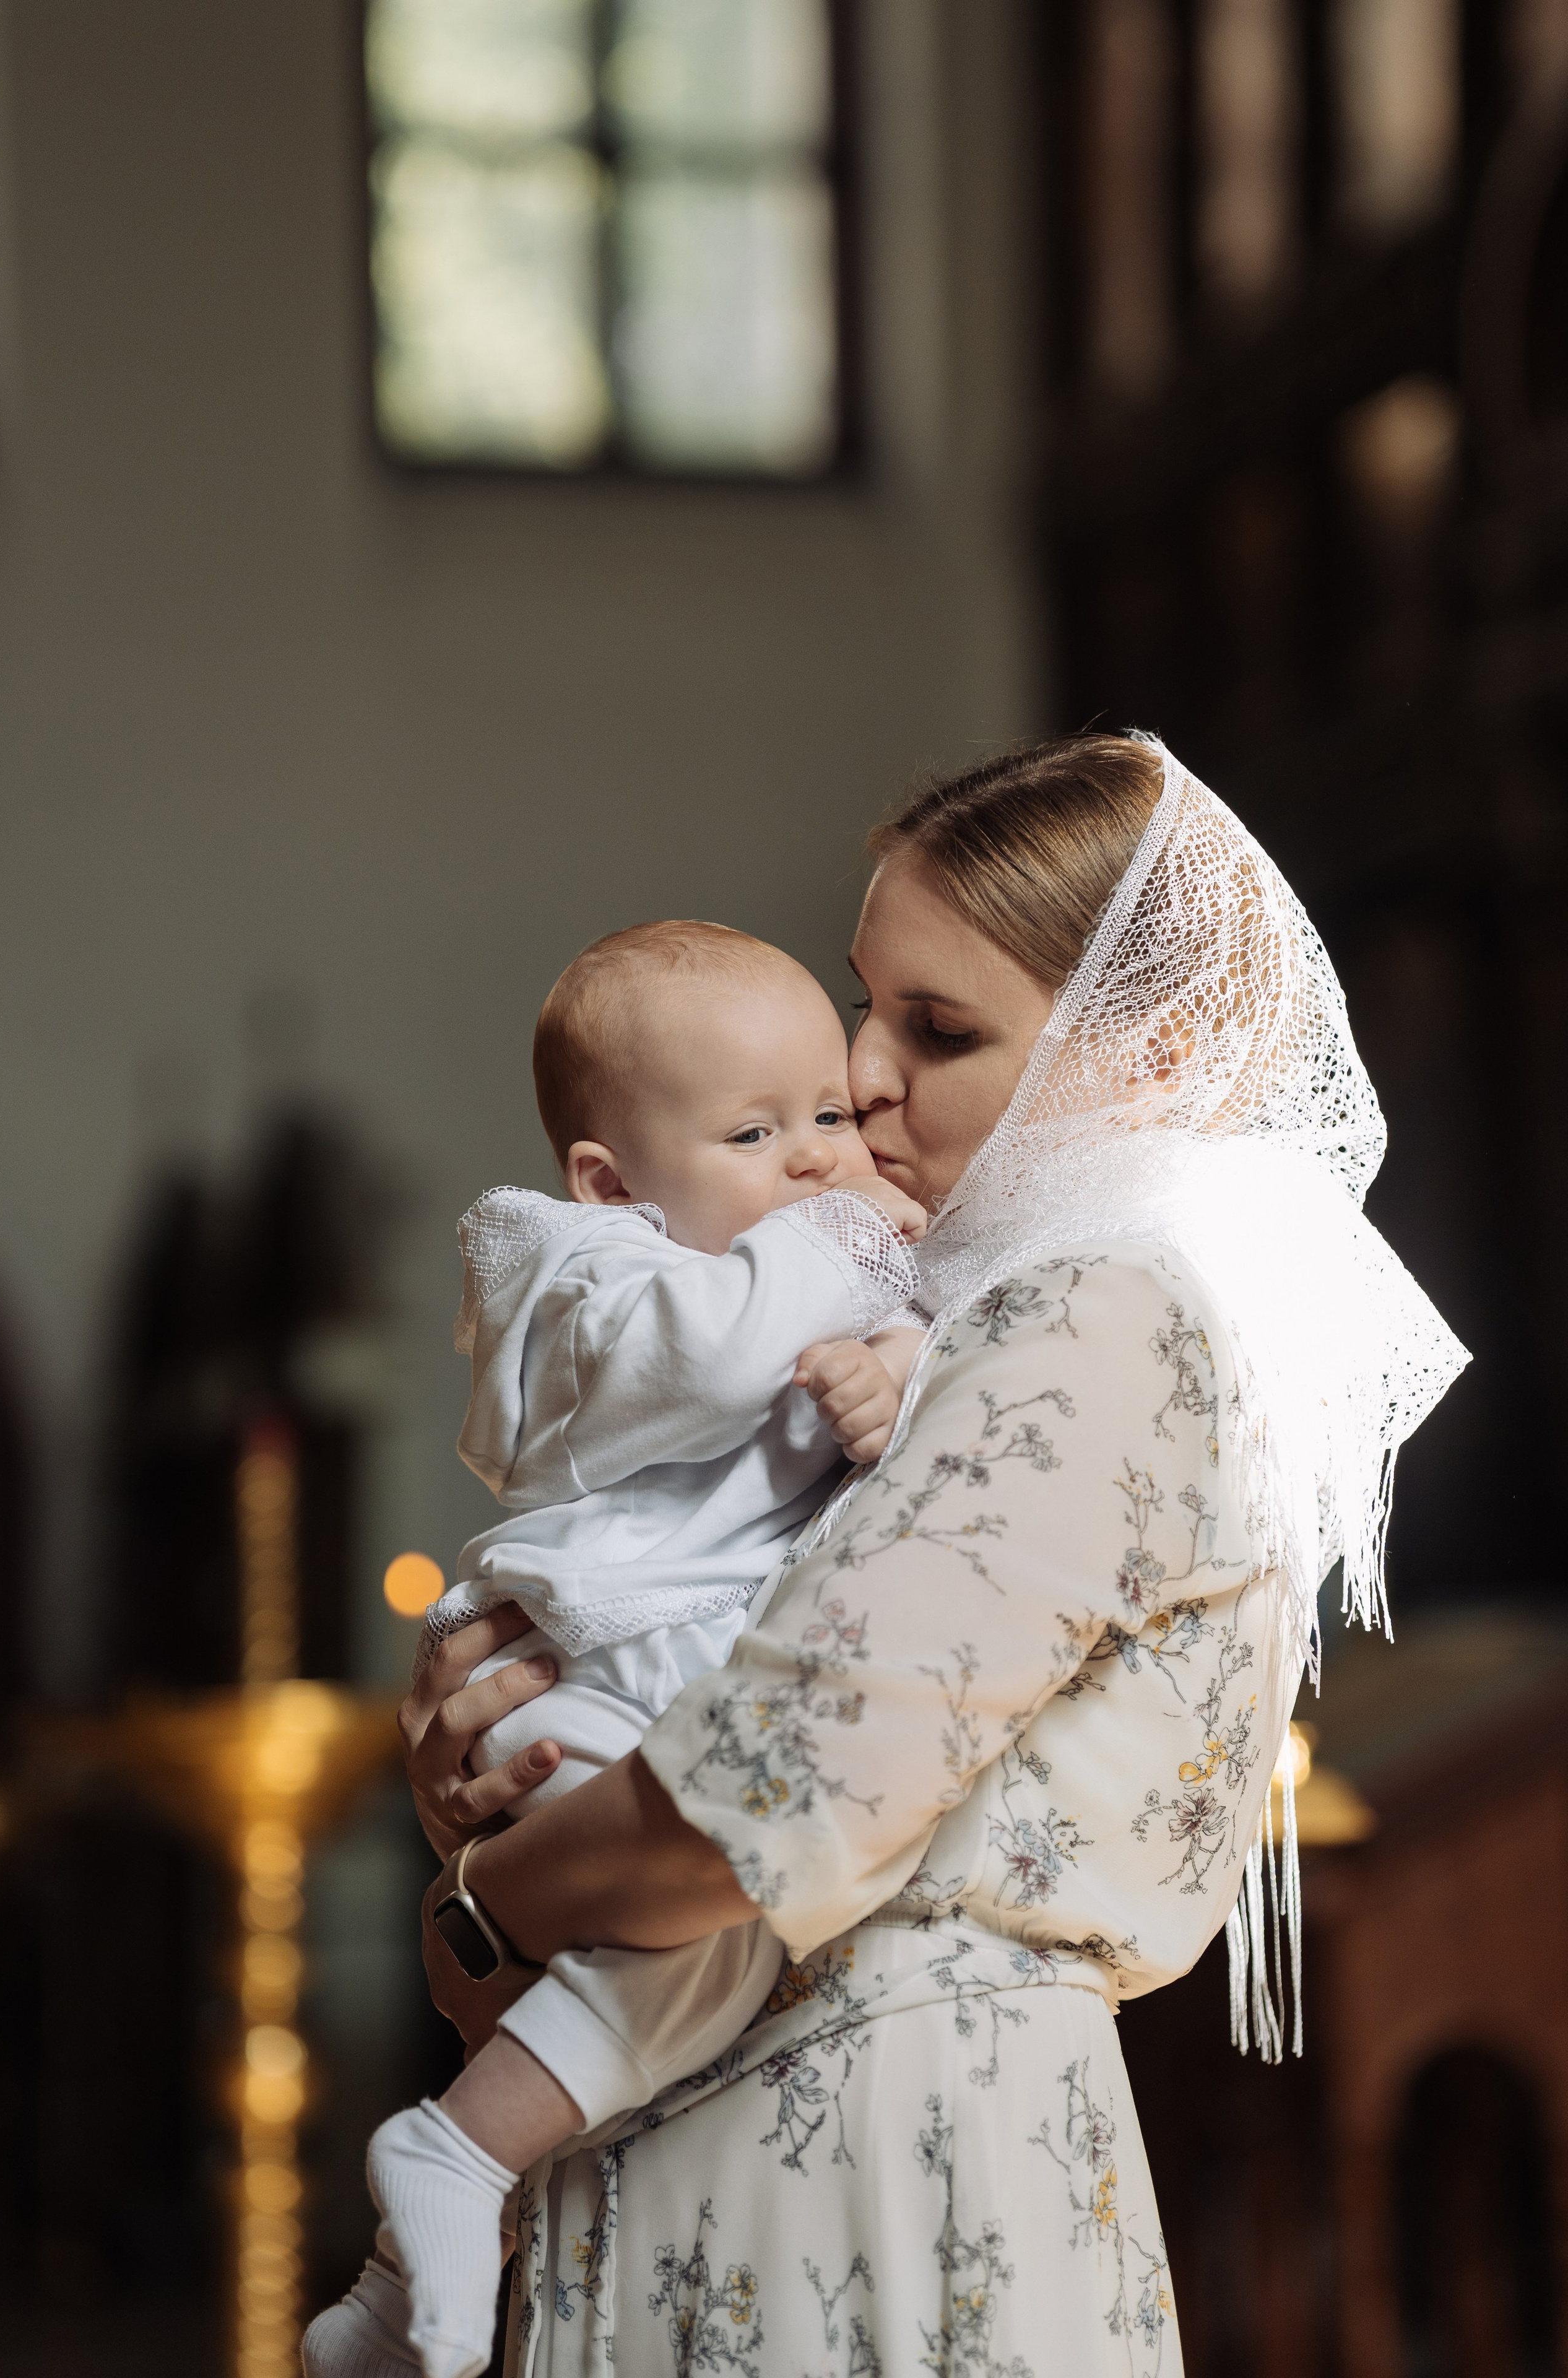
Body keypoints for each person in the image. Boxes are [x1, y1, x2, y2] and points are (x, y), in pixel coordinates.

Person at [397, 734, 1468, 2376]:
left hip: (871, 2153)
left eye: (941, 1029)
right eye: (867, 1003)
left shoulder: (1100, 1311)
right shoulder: (950, 1306)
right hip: (757, 2100)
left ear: (1159, 1046)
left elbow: (756, 1794)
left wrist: (480, 1907)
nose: (864, 1080)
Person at [304, 921, 927, 2378]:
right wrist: (842, 1242)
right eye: (755, 1131)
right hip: (603, 1672)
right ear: (611, 1179)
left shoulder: (785, 1268)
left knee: (664, 1955)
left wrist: (894, 1364)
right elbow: (725, 1354)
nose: (816, 1160)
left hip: (672, 1677)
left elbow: (892, 1354)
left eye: (827, 1116)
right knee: (702, 1931)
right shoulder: (590, 1278)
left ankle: (405, 2274)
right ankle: (457, 2157)